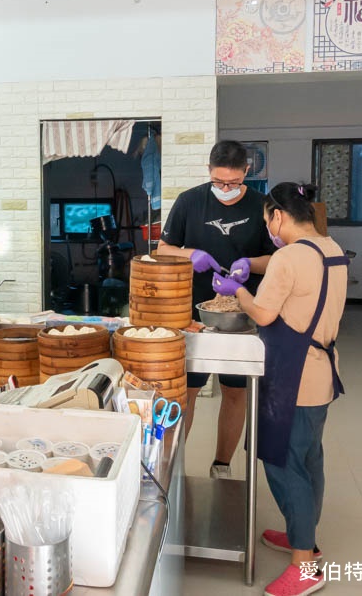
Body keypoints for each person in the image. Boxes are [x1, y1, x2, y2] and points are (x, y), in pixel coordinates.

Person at [211, 182, 348, 596]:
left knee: (284, 462)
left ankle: (304, 564)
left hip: (292, 376)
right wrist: (249, 269)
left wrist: (238, 292)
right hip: (321, 369)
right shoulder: (332, 248)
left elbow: (265, 313)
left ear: (278, 217)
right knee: (309, 457)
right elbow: (301, 291)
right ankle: (301, 533)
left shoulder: (288, 257)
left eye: (268, 218)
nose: (269, 226)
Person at [156, 140, 275, 478]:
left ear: (247, 173)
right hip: (194, 315)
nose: (225, 189)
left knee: (235, 391)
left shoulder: (261, 206)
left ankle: (222, 464)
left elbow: (278, 261)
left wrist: (250, 264)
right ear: (209, 171)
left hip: (242, 316)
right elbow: (163, 249)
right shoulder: (190, 201)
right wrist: (190, 254)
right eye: (219, 182)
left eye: (234, 183)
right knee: (188, 390)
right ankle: (173, 465)